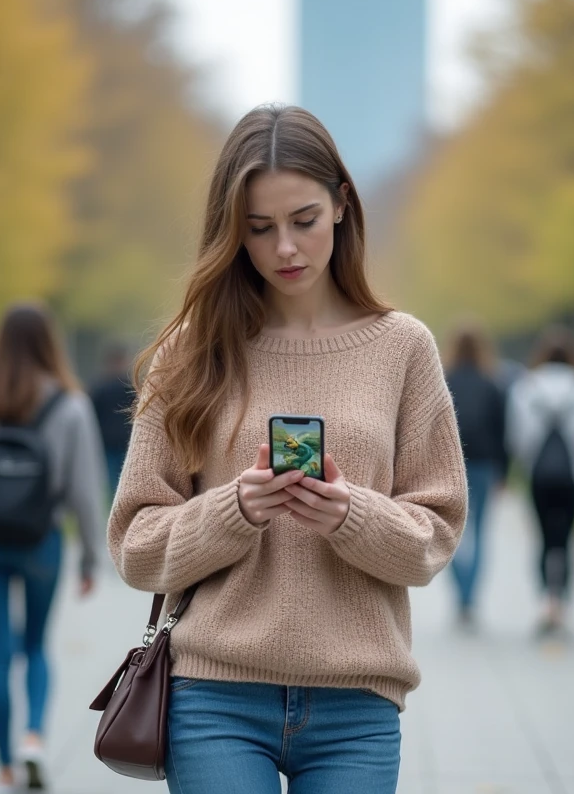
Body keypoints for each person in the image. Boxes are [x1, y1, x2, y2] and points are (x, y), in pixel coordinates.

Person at [106, 104, 467, 794]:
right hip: (213, 696)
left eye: (303, 220)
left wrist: (350, 515)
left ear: (342, 204)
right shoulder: (191, 351)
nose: (285, 249)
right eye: (259, 228)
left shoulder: (404, 348)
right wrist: (233, 510)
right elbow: (135, 543)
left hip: (357, 704)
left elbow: (436, 533)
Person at [0, 304, 107, 790]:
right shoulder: (70, 406)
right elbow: (85, 489)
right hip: (42, 542)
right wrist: (90, 556)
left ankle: (3, 764)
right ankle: (33, 738)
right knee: (36, 646)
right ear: (50, 343)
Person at [507, 326, 574, 634]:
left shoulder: (526, 388)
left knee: (543, 539)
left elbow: (517, 439)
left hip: (538, 476)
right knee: (566, 539)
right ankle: (563, 601)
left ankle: (547, 600)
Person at [444, 323, 509, 626]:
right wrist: (503, 472)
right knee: (481, 532)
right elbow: (502, 431)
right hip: (484, 463)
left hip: (451, 464)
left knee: (450, 531)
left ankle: (461, 592)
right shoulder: (491, 383)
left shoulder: (444, 380)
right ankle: (470, 597)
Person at [88, 342, 136, 497]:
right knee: (125, 479)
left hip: (108, 442)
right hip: (126, 440)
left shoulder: (99, 388)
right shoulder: (131, 387)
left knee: (112, 482)